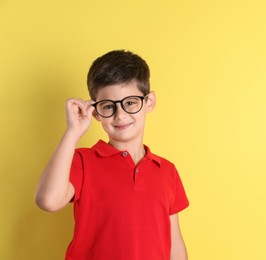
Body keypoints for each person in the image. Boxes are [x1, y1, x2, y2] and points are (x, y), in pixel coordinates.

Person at [35, 50, 189, 260]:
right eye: (108, 106)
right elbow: (48, 201)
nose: (120, 114)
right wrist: (73, 132)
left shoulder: (166, 171)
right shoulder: (83, 161)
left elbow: (175, 242)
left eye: (130, 102)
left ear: (149, 101)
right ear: (96, 112)